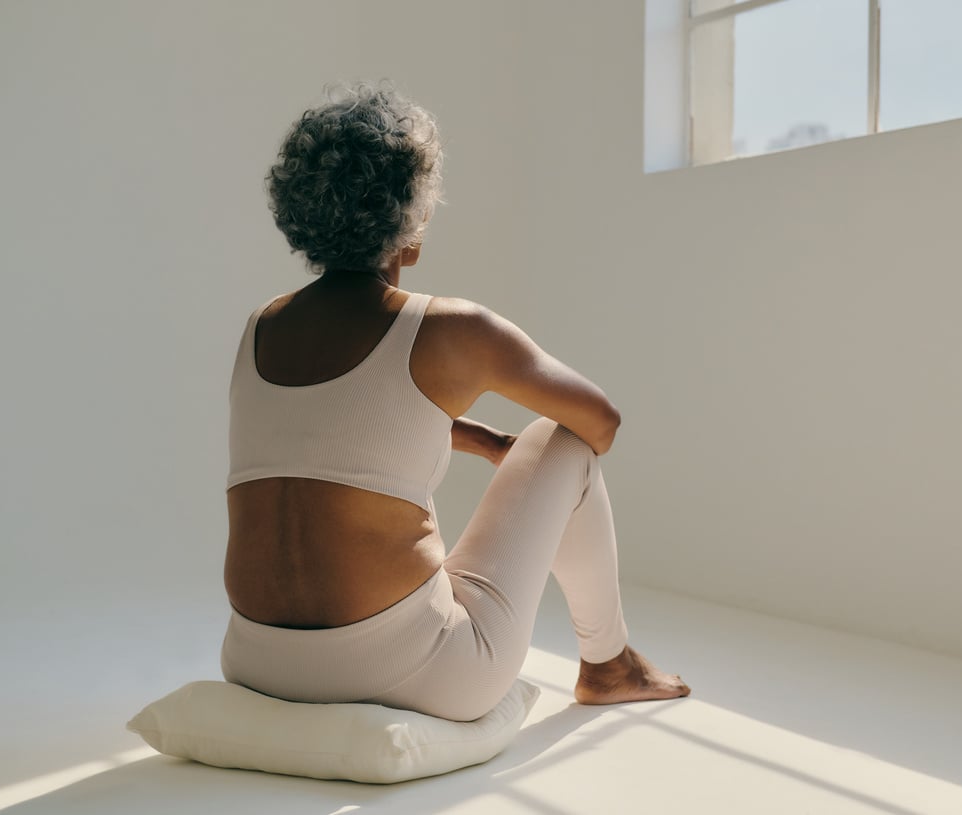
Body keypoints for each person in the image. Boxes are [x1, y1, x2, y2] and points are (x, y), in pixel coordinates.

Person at [219, 81, 689, 722]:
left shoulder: (262, 327)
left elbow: (337, 430)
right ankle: (610, 664)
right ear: (411, 228)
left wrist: (484, 441)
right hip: (415, 677)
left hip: (255, 665)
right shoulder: (450, 329)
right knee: (562, 439)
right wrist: (517, 445)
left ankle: (610, 664)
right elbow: (599, 423)